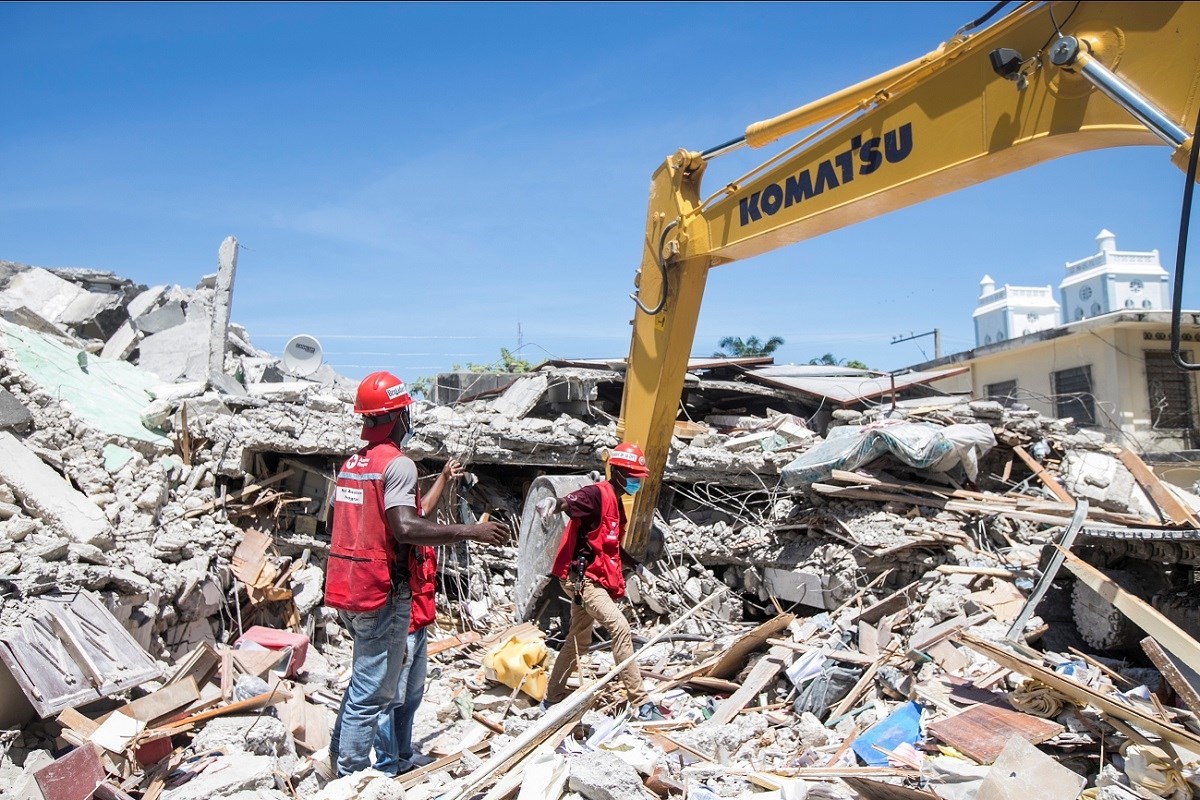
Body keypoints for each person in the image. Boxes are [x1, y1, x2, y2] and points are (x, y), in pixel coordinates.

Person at [326, 372, 508, 777]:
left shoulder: (354, 465)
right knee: (374, 693)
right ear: (399, 415)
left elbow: (362, 521)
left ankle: (339, 755)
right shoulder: (398, 464)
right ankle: (351, 777)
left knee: (362, 684)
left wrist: (442, 480)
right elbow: (405, 527)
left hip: (349, 587)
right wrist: (471, 531)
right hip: (380, 592)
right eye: (406, 411)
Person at [535, 442, 658, 720]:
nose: (637, 482)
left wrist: (636, 566)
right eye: (633, 476)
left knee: (578, 640)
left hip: (591, 578)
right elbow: (570, 502)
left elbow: (611, 546)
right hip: (583, 580)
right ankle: (641, 703)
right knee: (620, 627)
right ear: (616, 471)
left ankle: (550, 700)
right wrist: (554, 504)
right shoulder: (597, 495)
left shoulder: (617, 504)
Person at [372, 456, 464, 775]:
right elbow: (413, 522)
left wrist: (444, 477)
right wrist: (469, 531)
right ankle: (386, 764)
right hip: (401, 620)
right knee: (390, 698)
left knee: (411, 697)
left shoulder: (414, 517)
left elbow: (424, 508)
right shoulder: (401, 526)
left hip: (420, 620)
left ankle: (402, 754)